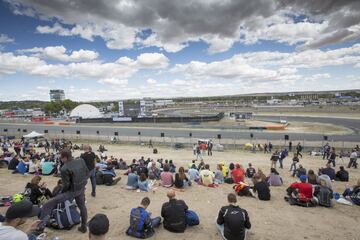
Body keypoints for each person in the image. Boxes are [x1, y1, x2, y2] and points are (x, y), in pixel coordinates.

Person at [40, 149, 89, 233]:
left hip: (71, 191)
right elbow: (87, 173)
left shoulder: (64, 168)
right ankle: (83, 226)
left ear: (65, 158)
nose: (61, 159)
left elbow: (66, 185)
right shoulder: (81, 160)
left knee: (47, 205)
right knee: (82, 207)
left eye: (61, 158)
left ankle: (40, 228)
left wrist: (61, 192)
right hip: (81, 188)